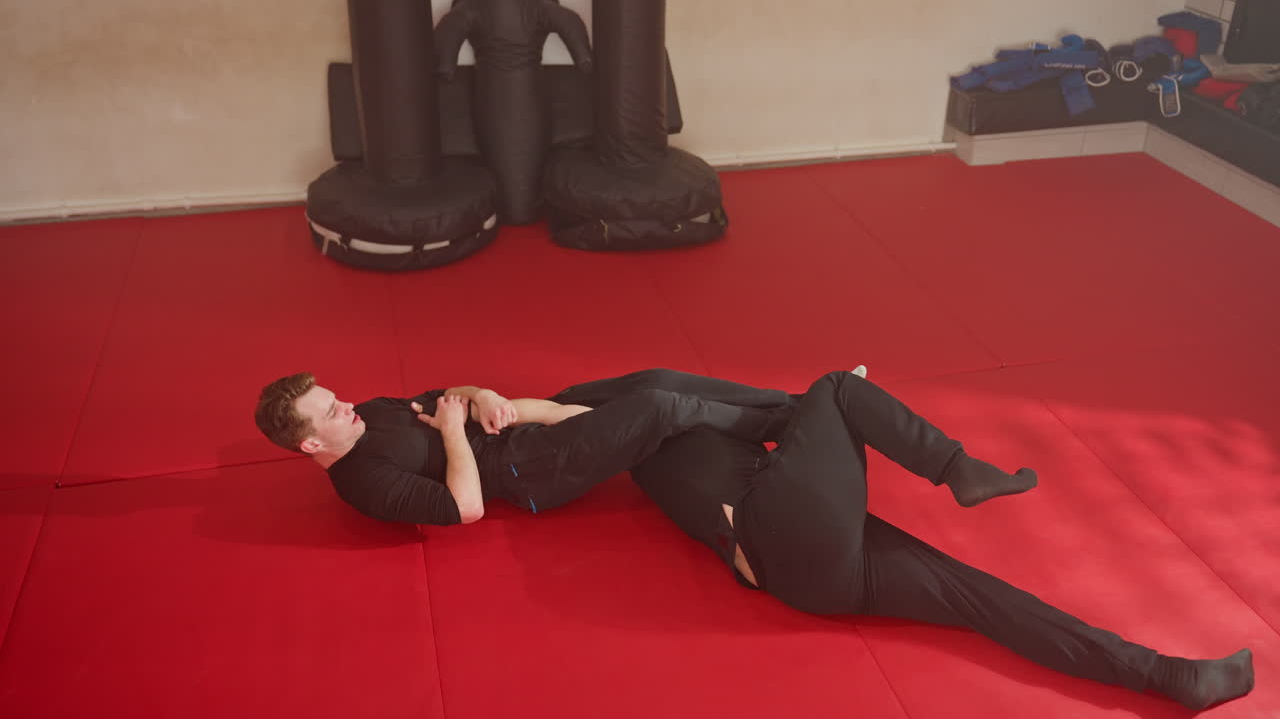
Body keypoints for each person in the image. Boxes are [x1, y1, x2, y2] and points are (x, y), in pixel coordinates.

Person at [619, 369, 1255, 712]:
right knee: (838, 387)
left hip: (818, 561)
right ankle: (958, 470)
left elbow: (764, 416)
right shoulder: (627, 417)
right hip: (771, 535)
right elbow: (558, 443)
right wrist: (518, 409)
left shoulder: (688, 408)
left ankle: (1169, 676)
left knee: (985, 600)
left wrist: (825, 419)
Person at [252, 370, 798, 526]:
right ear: (311, 443)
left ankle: (792, 401)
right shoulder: (363, 482)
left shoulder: (368, 412)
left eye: (335, 397)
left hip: (518, 424)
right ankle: (795, 421)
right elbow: (465, 508)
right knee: (658, 406)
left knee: (653, 378)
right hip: (527, 471)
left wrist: (484, 394)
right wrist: (449, 431)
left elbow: (448, 395)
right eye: (330, 412)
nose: (346, 405)